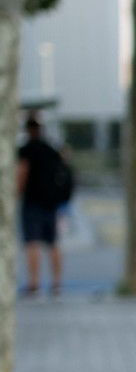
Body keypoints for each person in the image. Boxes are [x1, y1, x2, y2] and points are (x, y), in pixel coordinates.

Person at [16, 114, 73, 297]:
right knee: (53, 242)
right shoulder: (51, 149)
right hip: (52, 203)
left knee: (32, 242)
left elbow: (22, 173)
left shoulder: (27, 149)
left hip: (32, 202)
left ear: (27, 130)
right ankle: (57, 284)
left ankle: (34, 284)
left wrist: (15, 193)